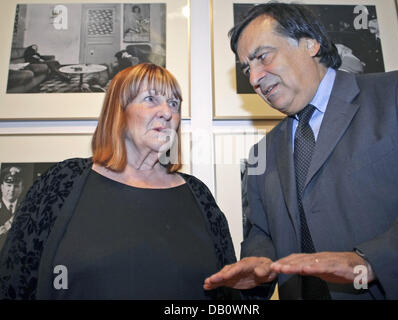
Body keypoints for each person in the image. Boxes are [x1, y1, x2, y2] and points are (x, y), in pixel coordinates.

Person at [204, 2, 398, 300]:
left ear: (310, 43)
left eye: (262, 57)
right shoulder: (262, 152)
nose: (254, 79)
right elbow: (263, 232)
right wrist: (257, 263)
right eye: (247, 69)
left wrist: (370, 261)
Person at [0, 63, 239, 300]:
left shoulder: (198, 195)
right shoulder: (62, 182)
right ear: (119, 111)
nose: (167, 112)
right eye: (151, 99)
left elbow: (230, 294)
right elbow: (13, 282)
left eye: (174, 103)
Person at [0, 167, 24, 251]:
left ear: (22, 188)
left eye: (16, 186)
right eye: (9, 185)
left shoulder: (25, 209)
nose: (12, 190)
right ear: (2, 187)